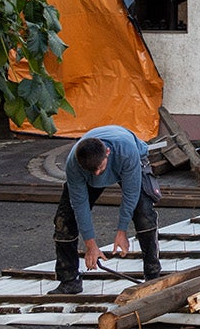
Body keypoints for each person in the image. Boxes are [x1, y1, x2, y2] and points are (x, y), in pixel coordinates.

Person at [50, 124, 162, 294]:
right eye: (91, 171)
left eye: (100, 168)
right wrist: (90, 244)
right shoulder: (74, 163)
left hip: (131, 158)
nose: (97, 174)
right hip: (93, 165)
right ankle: (69, 280)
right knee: (64, 220)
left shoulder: (126, 152)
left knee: (144, 214)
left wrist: (122, 230)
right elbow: (79, 205)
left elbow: (130, 194)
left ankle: (153, 275)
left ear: (107, 153)